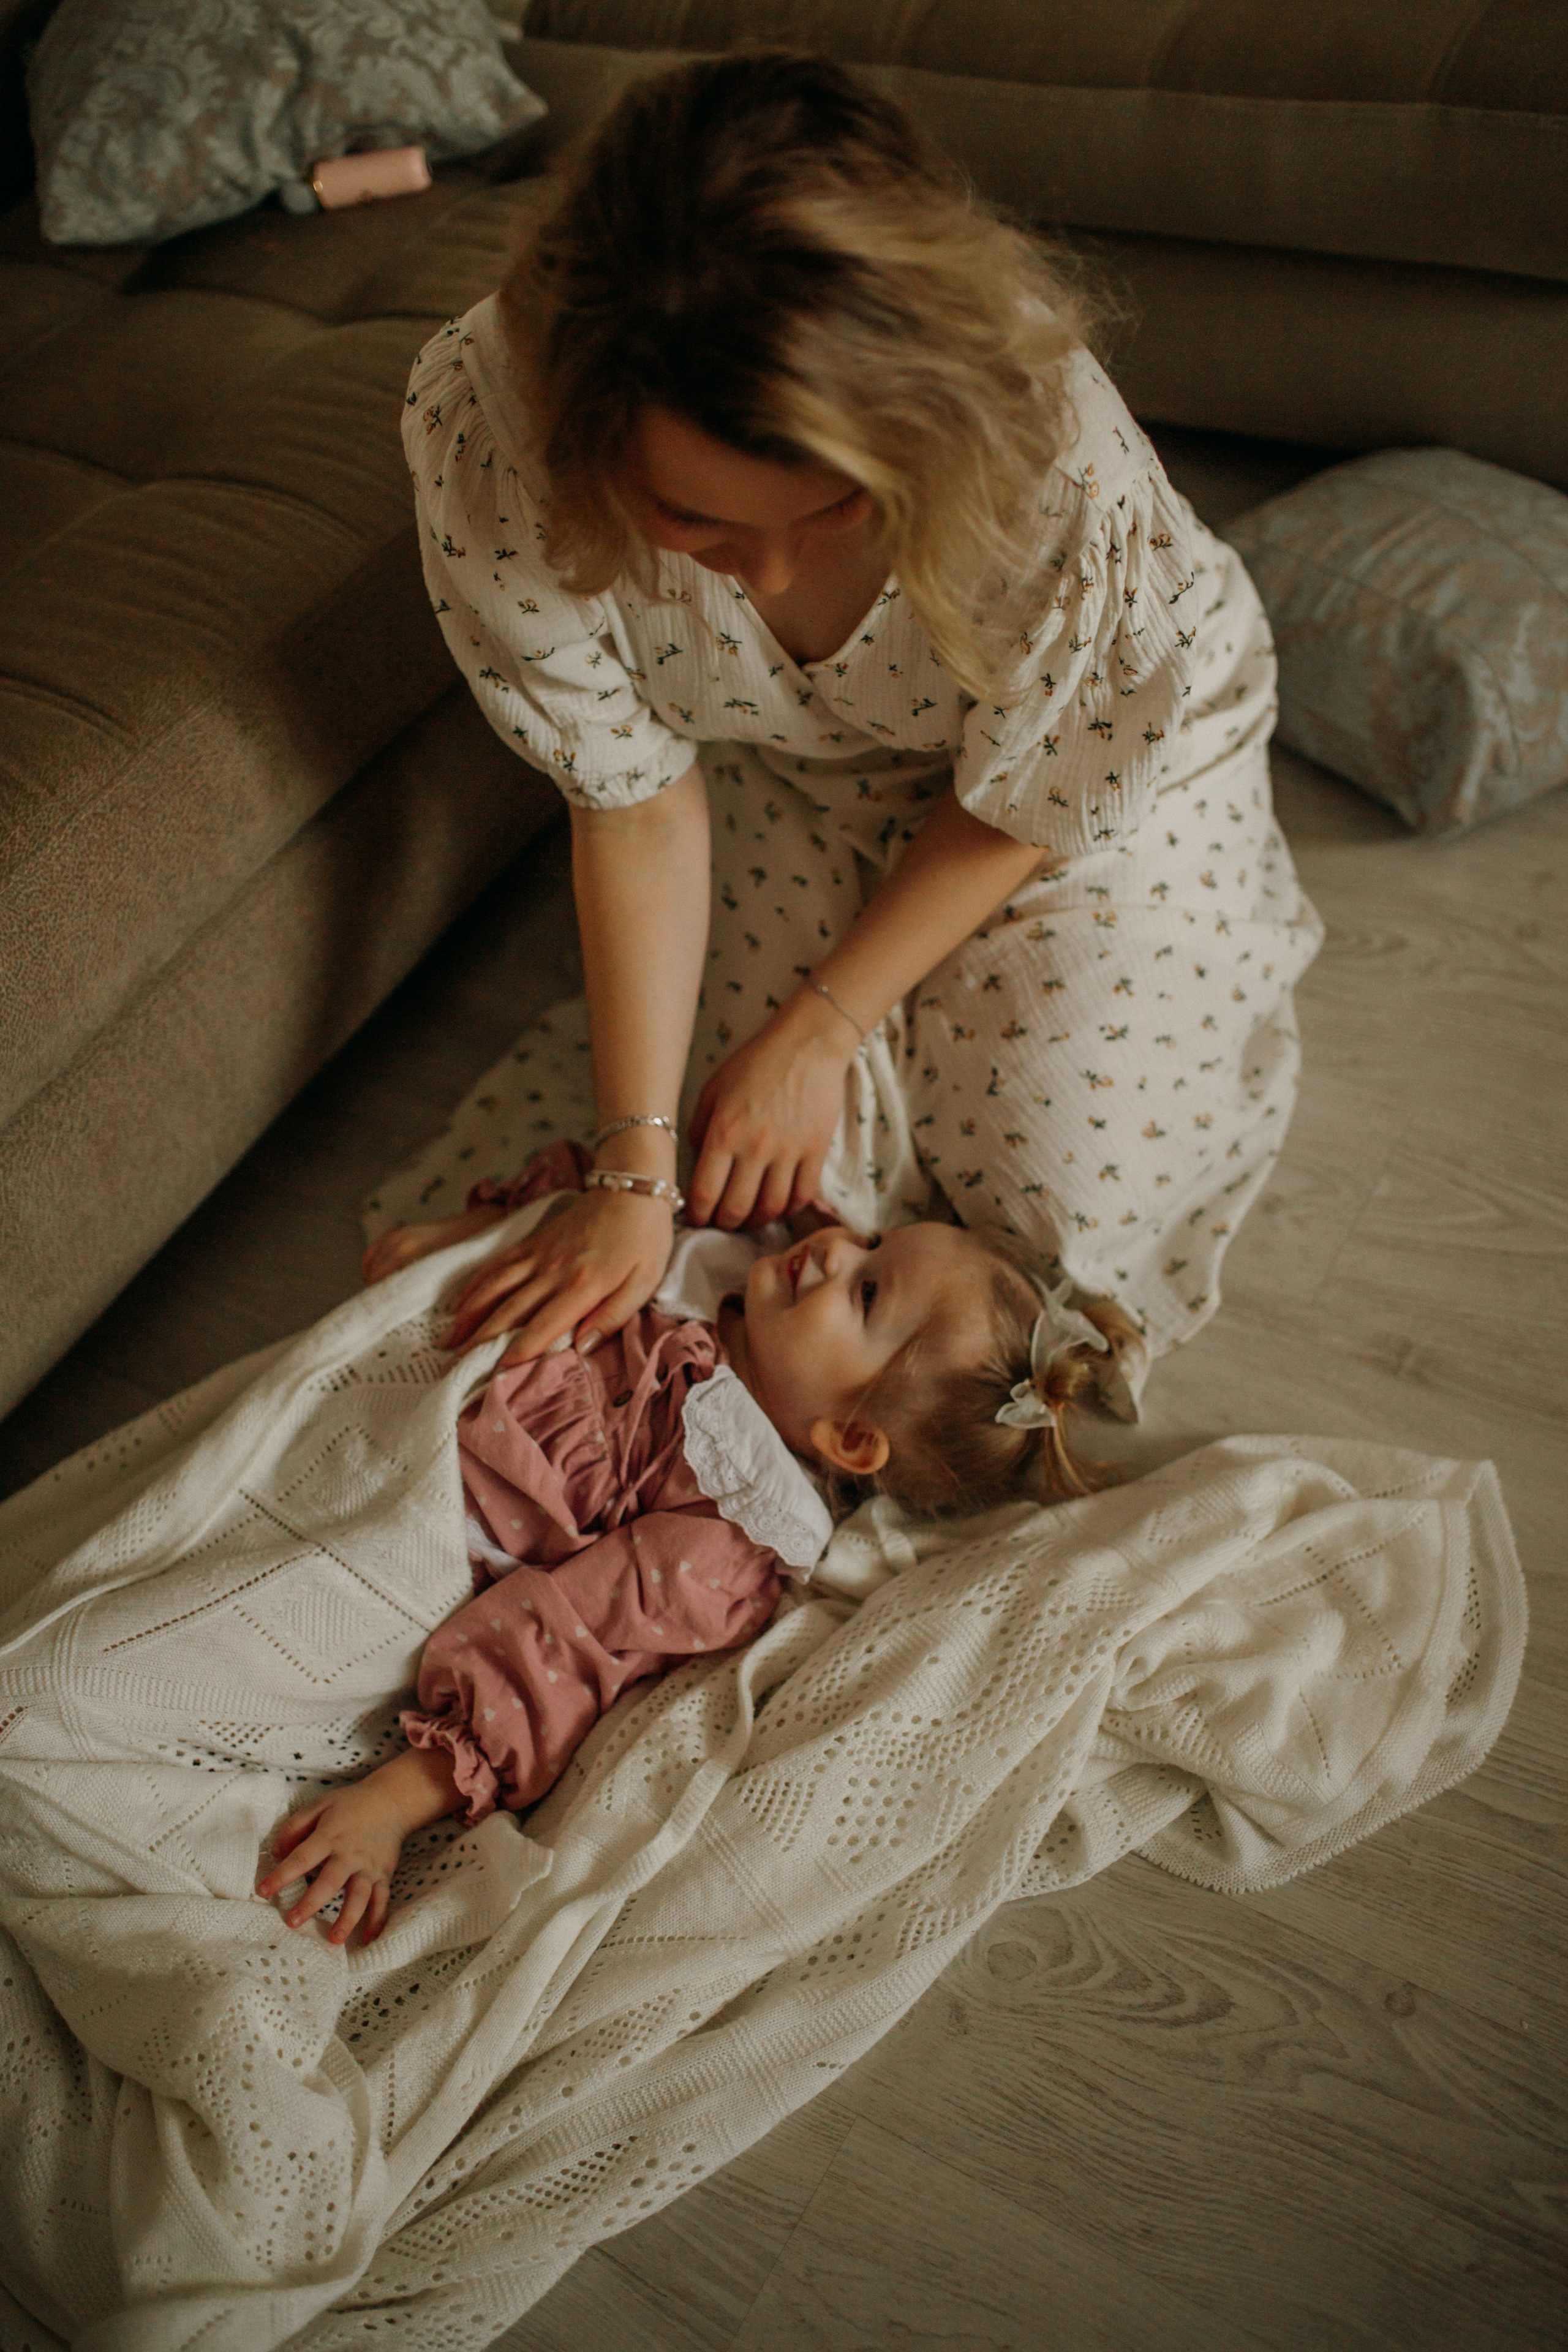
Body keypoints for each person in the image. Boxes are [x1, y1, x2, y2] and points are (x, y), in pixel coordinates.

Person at [399, 51, 1321, 1419]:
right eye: (694, 523)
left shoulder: (1044, 448)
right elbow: (637, 802)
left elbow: (1045, 777)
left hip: (1071, 777)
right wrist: (633, 1167)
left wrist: (824, 1023)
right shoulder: (486, 434)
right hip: (789, 764)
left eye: (834, 513)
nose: (763, 580)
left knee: (1042, 1231)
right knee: (740, 1189)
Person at [256, 1142, 1126, 1948]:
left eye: (865, 1293)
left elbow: (562, 1651)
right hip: (368, 1386)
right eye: (873, 1240)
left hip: (401, 1526)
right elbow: (579, 1219)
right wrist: (477, 1237)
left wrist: (393, 1804)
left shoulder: (722, 1536)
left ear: (850, 1440)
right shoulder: (713, 1257)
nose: (836, 1251)